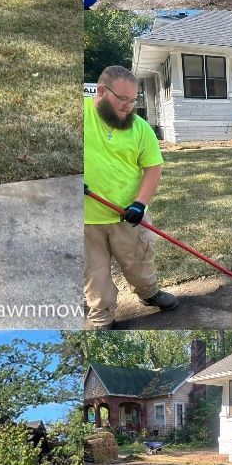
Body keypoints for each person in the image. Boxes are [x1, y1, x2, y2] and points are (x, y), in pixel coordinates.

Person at [83, 65, 180, 329]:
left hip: (127, 214)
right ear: (102, 92)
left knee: (139, 260)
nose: (128, 106)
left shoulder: (140, 128)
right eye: (122, 99)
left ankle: (149, 293)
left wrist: (140, 203)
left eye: (133, 100)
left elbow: (153, 168)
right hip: (85, 220)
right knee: (95, 273)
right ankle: (102, 318)